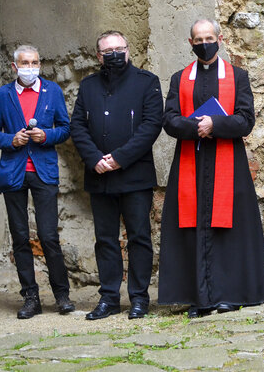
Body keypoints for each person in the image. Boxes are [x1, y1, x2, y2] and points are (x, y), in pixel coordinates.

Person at [158, 19, 264, 318]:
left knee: (228, 229)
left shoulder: (238, 76)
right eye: (198, 39)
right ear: (190, 42)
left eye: (209, 37)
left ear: (219, 38)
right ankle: (199, 298)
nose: (204, 43)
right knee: (193, 225)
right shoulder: (179, 78)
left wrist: (215, 124)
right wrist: (196, 127)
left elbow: (246, 120)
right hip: (190, 162)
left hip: (228, 161)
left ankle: (228, 295)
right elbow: (169, 120)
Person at [70, 30, 163, 320]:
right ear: (98, 56)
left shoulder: (147, 82)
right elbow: (77, 127)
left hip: (135, 175)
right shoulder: (88, 86)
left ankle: (138, 298)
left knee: (139, 237)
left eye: (118, 48)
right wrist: (94, 158)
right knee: (105, 239)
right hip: (99, 175)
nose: (113, 54)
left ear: (128, 50)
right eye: (107, 50)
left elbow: (151, 125)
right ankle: (109, 298)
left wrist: (120, 158)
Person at [0, 45, 75, 319]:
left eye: (35, 62)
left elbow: (65, 128)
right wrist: (10, 139)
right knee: (20, 237)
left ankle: (62, 296)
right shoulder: (2, 95)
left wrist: (45, 136)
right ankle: (31, 297)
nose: (30, 67)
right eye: (25, 63)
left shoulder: (52, 91)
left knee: (48, 236)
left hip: (43, 172)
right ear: (15, 67)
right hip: (13, 173)